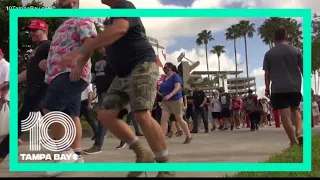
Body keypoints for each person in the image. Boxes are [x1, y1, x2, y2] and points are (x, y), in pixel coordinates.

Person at [59, 0, 174, 177]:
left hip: (142, 66)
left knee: (141, 114)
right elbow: (107, 41)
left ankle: (166, 169)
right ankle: (143, 153)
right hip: (122, 75)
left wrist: (82, 49)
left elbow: (120, 29)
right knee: (106, 115)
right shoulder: (112, 16)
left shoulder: (124, 6)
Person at [42, 1, 97, 177]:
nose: (58, 2)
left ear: (74, 2)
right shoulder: (65, 23)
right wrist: (49, 62)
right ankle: (77, 155)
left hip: (70, 73)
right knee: (72, 115)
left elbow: (90, 41)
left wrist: (79, 65)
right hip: (61, 74)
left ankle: (64, 153)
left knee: (49, 108)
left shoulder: (81, 17)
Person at [0, 19, 51, 163]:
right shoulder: (37, 49)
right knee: (36, 121)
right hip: (34, 89)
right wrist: (10, 83)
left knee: (22, 121)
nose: (31, 33)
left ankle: (2, 152)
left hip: (40, 89)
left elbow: (54, 64)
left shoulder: (47, 46)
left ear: (44, 31)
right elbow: (29, 72)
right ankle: (64, 151)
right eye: (31, 30)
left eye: (35, 30)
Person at [263, 27, 303, 146]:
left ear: (274, 38)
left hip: (278, 88)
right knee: (295, 110)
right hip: (294, 87)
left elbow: (267, 74)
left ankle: (293, 141)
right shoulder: (296, 50)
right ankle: (299, 132)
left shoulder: (269, 54)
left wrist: (266, 88)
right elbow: (303, 69)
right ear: (286, 36)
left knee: (284, 115)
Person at [159, 62, 192, 144]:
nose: (164, 69)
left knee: (179, 119)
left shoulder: (175, 76)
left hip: (176, 100)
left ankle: (188, 136)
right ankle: (162, 139)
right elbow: (163, 90)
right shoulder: (164, 78)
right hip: (166, 102)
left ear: (170, 68)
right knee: (163, 120)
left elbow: (177, 88)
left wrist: (169, 95)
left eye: (165, 67)